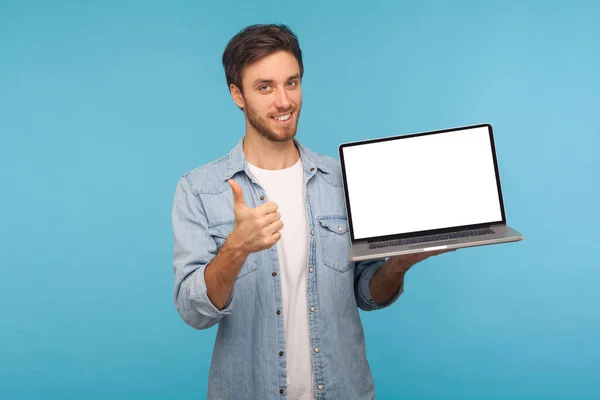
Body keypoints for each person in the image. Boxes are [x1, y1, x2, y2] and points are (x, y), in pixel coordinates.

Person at [171, 23, 450, 400]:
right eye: (264, 87)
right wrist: (236, 248)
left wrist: (399, 264)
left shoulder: (342, 180)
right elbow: (194, 312)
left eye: (292, 82)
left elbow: (366, 292)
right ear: (238, 94)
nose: (284, 101)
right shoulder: (200, 189)